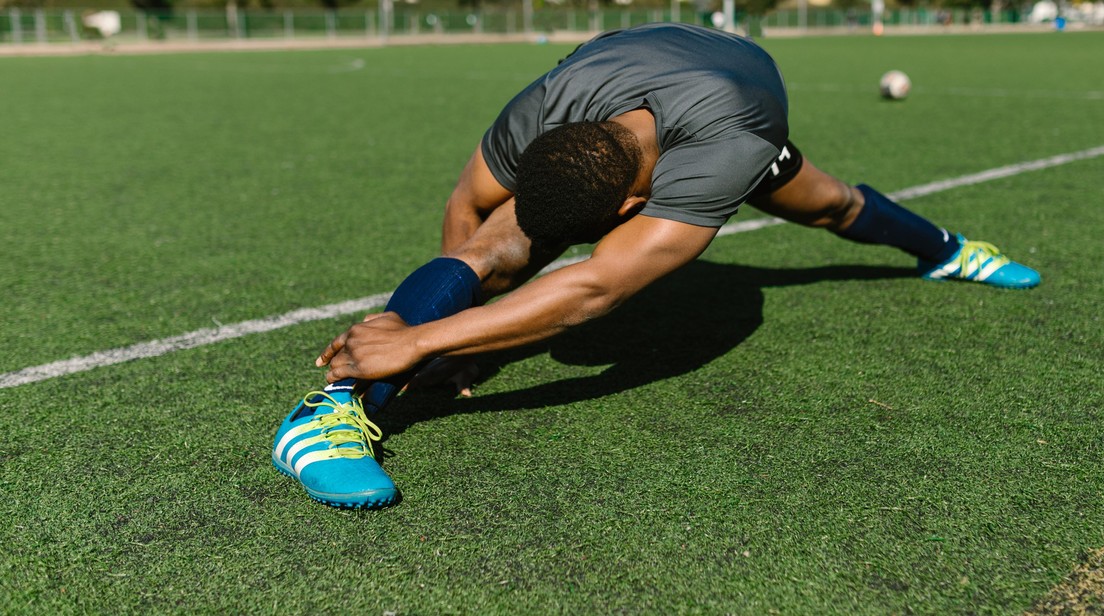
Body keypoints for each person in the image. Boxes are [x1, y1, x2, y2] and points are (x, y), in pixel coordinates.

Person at [271, 23, 1040, 509]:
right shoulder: (540, 111)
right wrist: (450, 335)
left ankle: (946, 251)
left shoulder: (723, 156)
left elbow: (597, 288)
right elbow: (467, 215)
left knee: (831, 204)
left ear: (630, 208)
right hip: (645, 65)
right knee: (493, 250)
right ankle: (330, 411)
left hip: (738, 86)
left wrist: (420, 341)